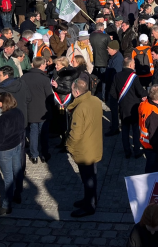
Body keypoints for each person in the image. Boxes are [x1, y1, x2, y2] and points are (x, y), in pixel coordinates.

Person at [66, 78, 103, 218]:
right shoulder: (95, 101)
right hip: (93, 144)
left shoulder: (80, 107)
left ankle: (90, 206)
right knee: (92, 176)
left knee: (87, 178)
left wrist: (68, 146)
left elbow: (75, 133)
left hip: (84, 149)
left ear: (76, 92)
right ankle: (90, 199)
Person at [0, 92, 25, 216]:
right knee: (17, 171)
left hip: (5, 149)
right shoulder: (19, 112)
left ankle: (6, 205)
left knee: (8, 177)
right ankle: (18, 194)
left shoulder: (3, 118)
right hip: (17, 145)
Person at [21, 57, 53, 163]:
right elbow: (49, 96)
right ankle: (44, 154)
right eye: (44, 64)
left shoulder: (24, 77)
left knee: (33, 132)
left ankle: (34, 155)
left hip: (30, 109)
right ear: (41, 65)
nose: (46, 66)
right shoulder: (44, 79)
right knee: (44, 132)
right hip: (43, 109)